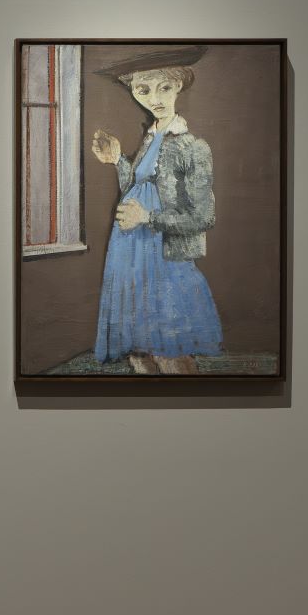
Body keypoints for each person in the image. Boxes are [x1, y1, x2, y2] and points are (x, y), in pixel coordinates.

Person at [88, 46, 223, 375]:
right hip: (130, 253)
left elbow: (203, 216)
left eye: (163, 87)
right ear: (134, 92)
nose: (155, 98)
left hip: (165, 258)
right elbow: (141, 188)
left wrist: (147, 217)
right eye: (143, 90)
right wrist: (118, 161)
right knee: (139, 353)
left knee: (169, 351)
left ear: (178, 85)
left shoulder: (193, 147)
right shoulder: (150, 138)